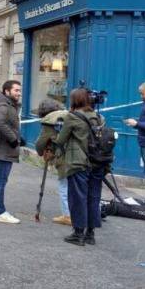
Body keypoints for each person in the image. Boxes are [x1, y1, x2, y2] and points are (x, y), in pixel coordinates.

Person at [55, 88, 106, 246]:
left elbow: (61, 139)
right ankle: (90, 234)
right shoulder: (99, 117)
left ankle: (78, 234)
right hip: (97, 162)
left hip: (79, 162)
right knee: (93, 197)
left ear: (75, 100)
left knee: (78, 198)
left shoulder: (72, 117)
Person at [0, 80, 24, 224]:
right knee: (1, 179)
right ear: (6, 91)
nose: (19, 93)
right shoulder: (4, 105)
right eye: (16, 90)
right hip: (3, 147)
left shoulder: (8, 104)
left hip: (2, 146)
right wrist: (13, 140)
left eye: (20, 91)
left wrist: (21, 139)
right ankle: (0, 212)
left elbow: (10, 125)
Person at [34, 98, 71, 226]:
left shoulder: (51, 120)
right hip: (81, 156)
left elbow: (40, 143)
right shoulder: (69, 115)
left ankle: (68, 215)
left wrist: (41, 151)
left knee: (64, 187)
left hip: (65, 157)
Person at [124, 82, 145, 178]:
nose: (141, 96)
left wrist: (137, 123)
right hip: (143, 141)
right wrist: (135, 124)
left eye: (142, 93)